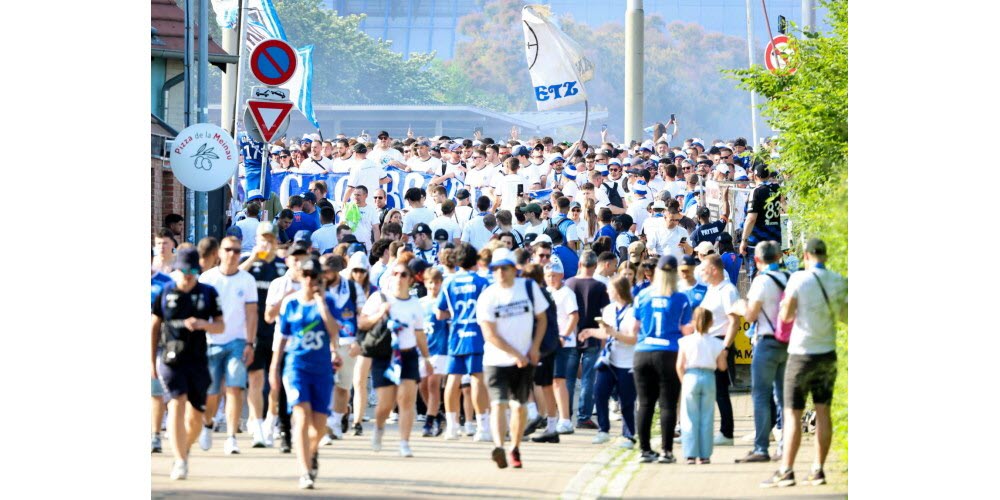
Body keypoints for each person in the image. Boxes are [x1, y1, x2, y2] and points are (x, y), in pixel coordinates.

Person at [761, 238, 847, 488]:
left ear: (807, 256)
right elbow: (845, 316)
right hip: (827, 353)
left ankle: (786, 471)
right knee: (823, 412)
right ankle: (818, 469)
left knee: (792, 414)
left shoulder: (798, 279)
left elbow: (786, 315)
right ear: (826, 256)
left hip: (800, 354)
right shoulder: (839, 281)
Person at [151, 248, 225, 480]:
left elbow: (220, 326)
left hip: (198, 359)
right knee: (176, 402)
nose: (188, 275)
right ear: (177, 269)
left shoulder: (208, 293)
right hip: (171, 357)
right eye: (184, 270)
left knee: (195, 417)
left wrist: (204, 324)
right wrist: (150, 359)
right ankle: (180, 460)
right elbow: (154, 326)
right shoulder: (166, 292)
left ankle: (184, 448)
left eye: (193, 270)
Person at [272, 257, 341, 489]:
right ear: (301, 277)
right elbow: (282, 339)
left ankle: (312, 454)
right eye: (307, 275)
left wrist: (321, 304)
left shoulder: (329, 301)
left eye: (315, 276)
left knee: (319, 425)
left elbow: (334, 332)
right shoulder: (291, 303)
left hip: (321, 369)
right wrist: (274, 368)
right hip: (296, 367)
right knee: (301, 417)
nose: (311, 280)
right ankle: (304, 471)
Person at [476, 248, 548, 469]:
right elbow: (489, 333)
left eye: (504, 268)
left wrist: (535, 347)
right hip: (496, 360)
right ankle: (498, 445)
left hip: (525, 358)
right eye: (495, 269)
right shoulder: (488, 295)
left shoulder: (528, 287)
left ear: (513, 269)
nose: (500, 273)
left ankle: (514, 447)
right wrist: (516, 354)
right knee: (498, 403)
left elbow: (542, 318)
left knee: (519, 406)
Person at [358, 260, 433, 457]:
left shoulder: (415, 304)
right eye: (396, 274)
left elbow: (419, 334)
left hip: (407, 355)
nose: (399, 278)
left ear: (410, 280)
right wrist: (379, 314)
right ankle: (379, 427)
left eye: (403, 275)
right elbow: (363, 323)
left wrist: (426, 358)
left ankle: (404, 442)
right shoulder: (379, 298)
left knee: (406, 401)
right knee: (386, 403)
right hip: (385, 356)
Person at [197, 236, 258, 455]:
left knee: (234, 387)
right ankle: (207, 424)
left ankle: (231, 437)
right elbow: (200, 312)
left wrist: (250, 342)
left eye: (237, 250)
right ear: (220, 253)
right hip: (211, 341)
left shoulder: (247, 280)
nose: (233, 254)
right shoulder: (207, 279)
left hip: (237, 341)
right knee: (212, 392)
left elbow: (252, 314)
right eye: (228, 249)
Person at [630, 255, 694, 464]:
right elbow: (685, 330)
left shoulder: (643, 295)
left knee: (645, 404)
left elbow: (634, 328)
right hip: (669, 353)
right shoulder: (681, 297)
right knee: (667, 404)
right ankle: (666, 451)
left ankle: (644, 449)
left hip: (643, 351)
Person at [237, 222, 289, 448]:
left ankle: (272, 419)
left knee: (275, 379)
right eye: (262, 239)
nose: (266, 243)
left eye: (270, 239)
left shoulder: (282, 265)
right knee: (255, 378)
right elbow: (234, 277)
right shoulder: (247, 263)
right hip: (253, 329)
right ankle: (255, 421)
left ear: (276, 241)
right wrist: (252, 259)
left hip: (276, 329)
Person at [737, 240, 788, 464]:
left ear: (757, 260)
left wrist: (740, 308)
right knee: (783, 395)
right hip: (787, 343)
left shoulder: (761, 282)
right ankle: (786, 445)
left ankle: (761, 447)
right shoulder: (788, 278)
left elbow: (750, 315)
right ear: (778, 258)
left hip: (766, 342)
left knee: (760, 395)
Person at [437, 243, 493, 442]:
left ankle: (452, 427)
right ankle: (483, 427)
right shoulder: (483, 282)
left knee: (453, 378)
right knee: (477, 378)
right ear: (475, 260)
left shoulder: (449, 283)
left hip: (456, 334)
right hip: (477, 334)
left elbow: (440, 312)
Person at [578, 277, 638, 449]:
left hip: (627, 363)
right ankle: (603, 430)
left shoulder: (633, 312)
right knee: (599, 392)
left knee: (626, 400)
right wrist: (590, 332)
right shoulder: (609, 309)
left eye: (610, 289)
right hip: (609, 359)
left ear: (618, 291)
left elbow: (633, 339)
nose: (607, 292)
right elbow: (607, 333)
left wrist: (614, 333)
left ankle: (629, 435)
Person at [316, 254, 366, 444]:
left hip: (348, 342)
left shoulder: (353, 288)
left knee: (343, 386)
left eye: (327, 271)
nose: (323, 274)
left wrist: (359, 341)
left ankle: (336, 422)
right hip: (322, 343)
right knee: (326, 383)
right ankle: (326, 425)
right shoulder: (317, 287)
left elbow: (362, 316)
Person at [563, 251, 610, 429]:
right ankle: (584, 416)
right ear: (594, 266)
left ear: (579, 265)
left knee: (568, 377)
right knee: (589, 379)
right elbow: (605, 314)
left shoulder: (568, 284)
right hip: (593, 336)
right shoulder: (599, 286)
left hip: (571, 335)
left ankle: (565, 414)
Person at [698, 254, 741, 447]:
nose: (701, 272)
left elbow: (734, 322)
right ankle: (713, 430)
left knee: (720, 390)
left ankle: (726, 432)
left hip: (720, 342)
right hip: (707, 342)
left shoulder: (727, 290)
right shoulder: (711, 289)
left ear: (714, 270)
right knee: (710, 390)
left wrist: (725, 349)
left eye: (704, 269)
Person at [676, 307, 727, 465]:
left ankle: (690, 454)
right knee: (707, 416)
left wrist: (684, 381)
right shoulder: (717, 343)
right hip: (709, 377)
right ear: (711, 323)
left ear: (693, 321)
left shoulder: (685, 341)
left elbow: (679, 365)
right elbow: (722, 367)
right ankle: (705, 455)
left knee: (689, 417)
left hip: (690, 376)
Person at [418, 267, 448, 437]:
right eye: (431, 282)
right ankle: (436, 414)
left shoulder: (444, 302)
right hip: (424, 349)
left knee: (433, 384)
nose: (434, 286)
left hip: (440, 348)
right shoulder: (421, 303)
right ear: (425, 283)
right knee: (422, 385)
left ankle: (429, 422)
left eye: (437, 283)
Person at [740, 164, 782, 279]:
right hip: (776, 239)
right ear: (769, 175)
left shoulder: (756, 191)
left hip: (758, 241)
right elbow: (784, 209)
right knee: (775, 275)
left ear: (754, 176)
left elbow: (751, 218)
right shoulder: (777, 188)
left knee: (756, 276)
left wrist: (743, 240)